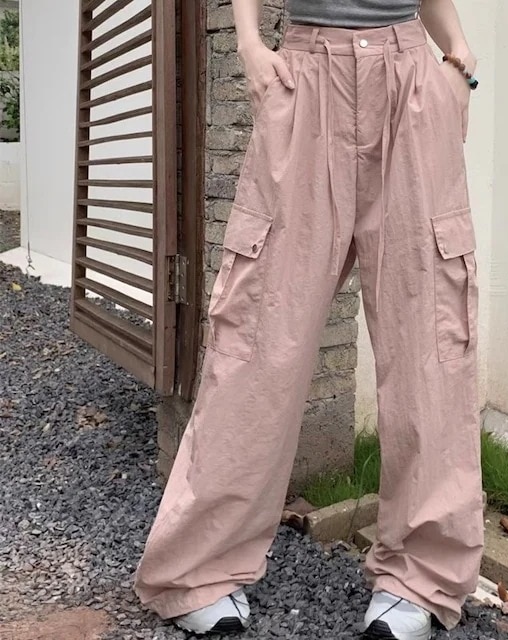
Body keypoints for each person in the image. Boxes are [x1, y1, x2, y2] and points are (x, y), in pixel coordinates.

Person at [132, 0, 483, 638]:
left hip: (411, 80)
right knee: (258, 337)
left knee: (428, 336)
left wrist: (458, 56)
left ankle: (421, 575)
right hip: (307, 79)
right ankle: (196, 569)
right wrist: (247, 42)